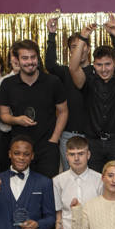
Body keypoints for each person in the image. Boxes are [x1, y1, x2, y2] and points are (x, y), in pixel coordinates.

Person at [69, 17, 115, 192]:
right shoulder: (88, 82)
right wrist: (83, 38)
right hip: (92, 143)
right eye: (99, 65)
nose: (104, 69)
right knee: (93, 189)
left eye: (108, 64)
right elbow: (73, 68)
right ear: (94, 65)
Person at [0, 40, 67, 178]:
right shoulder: (7, 84)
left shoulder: (53, 82)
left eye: (33, 57)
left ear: (38, 58)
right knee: (20, 190)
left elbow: (63, 111)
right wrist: (17, 120)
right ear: (17, 60)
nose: (30, 62)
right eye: (25, 58)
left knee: (47, 189)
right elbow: (4, 115)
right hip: (20, 148)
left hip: (47, 147)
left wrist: (54, 139)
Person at [45, 21, 90, 170]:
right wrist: (52, 35)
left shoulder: (99, 71)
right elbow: (50, 65)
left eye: (82, 46)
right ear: (70, 51)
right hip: (68, 134)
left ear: (88, 49)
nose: (79, 50)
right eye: (74, 47)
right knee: (69, 178)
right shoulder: (65, 72)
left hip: (91, 136)